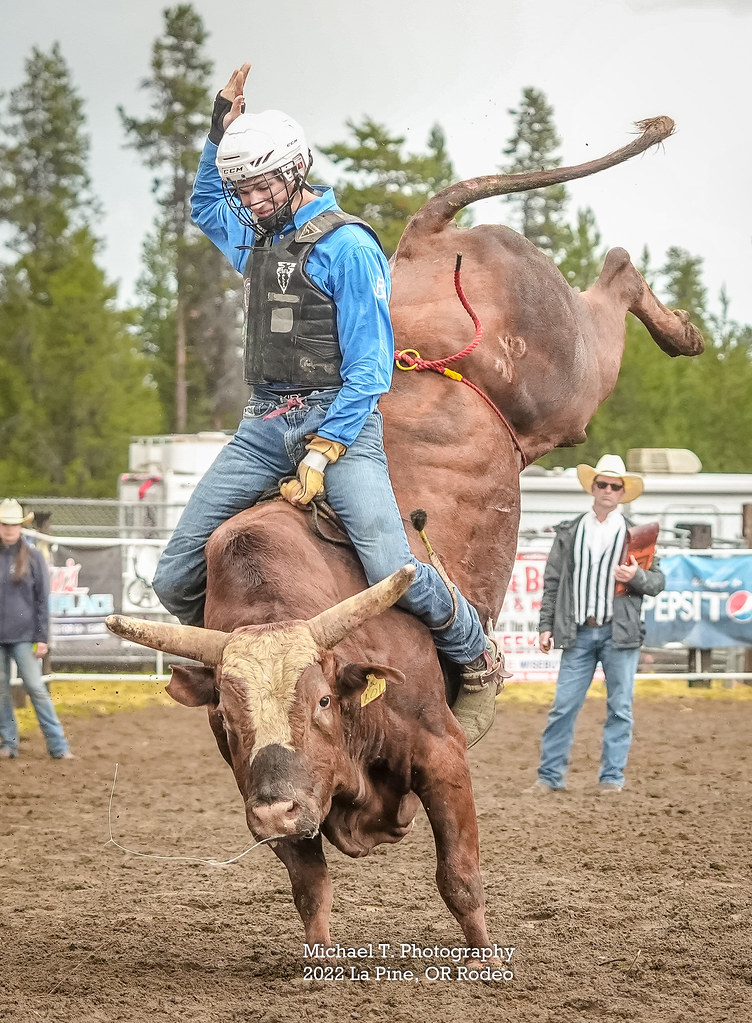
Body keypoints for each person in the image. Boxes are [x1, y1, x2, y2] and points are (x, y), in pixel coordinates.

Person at [151, 63, 505, 742]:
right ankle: (236, 671)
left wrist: (325, 449)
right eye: (242, 189)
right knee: (174, 574)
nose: (248, 201)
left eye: (259, 186)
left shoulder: (347, 246)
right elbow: (203, 204)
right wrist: (217, 128)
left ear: (294, 170)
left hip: (338, 422)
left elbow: (370, 368)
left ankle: (476, 652)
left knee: (390, 568)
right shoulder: (256, 236)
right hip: (263, 424)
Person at [532, 455, 664, 792]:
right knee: (563, 706)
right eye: (602, 483)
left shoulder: (638, 536)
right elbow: (553, 581)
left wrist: (636, 576)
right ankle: (549, 777)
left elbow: (657, 583)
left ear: (622, 492)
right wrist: (545, 625)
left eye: (614, 485)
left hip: (618, 633)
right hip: (578, 631)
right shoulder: (571, 530)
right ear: (593, 487)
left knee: (620, 707)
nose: (607, 489)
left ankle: (611, 777)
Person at [0, 499, 74, 760]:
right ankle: (8, 744)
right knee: (0, 690)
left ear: (21, 526)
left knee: (36, 687)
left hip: (24, 635)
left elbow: (42, 599)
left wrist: (42, 637)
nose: (9, 529)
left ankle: (58, 745)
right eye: (5, 524)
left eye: (13, 524)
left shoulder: (32, 557)